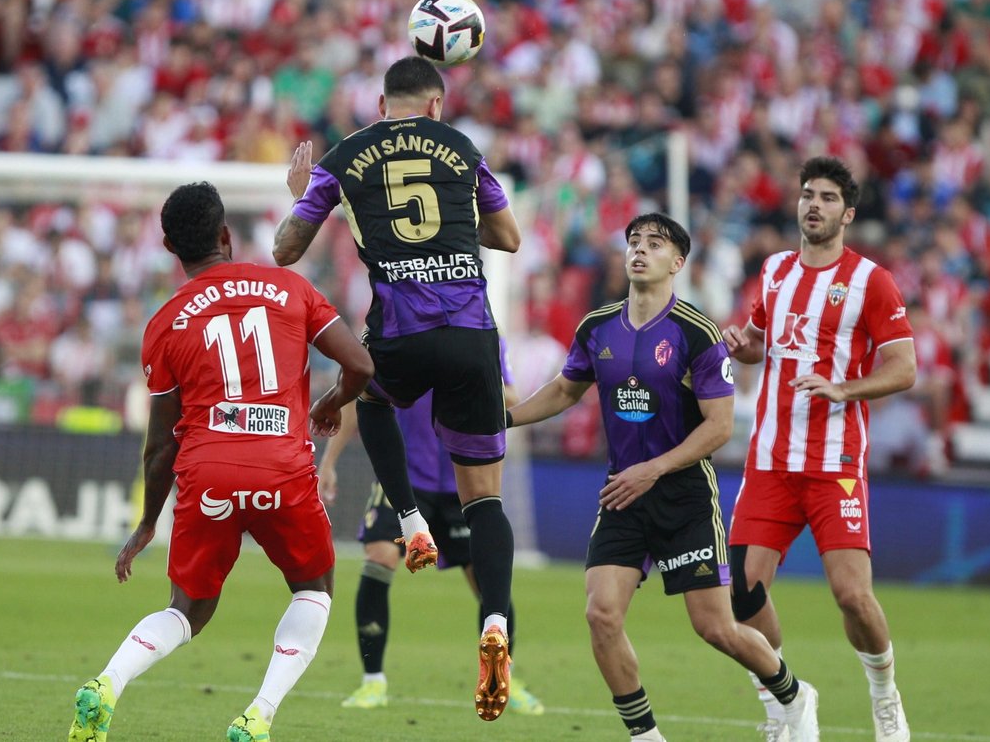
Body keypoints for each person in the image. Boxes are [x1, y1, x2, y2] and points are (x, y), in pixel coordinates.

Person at [69, 182, 376, 742]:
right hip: (283, 468)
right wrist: (331, 403)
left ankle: (109, 682)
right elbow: (361, 365)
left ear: (170, 246)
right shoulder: (291, 287)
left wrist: (146, 523)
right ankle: (259, 714)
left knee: (186, 610)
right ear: (226, 235)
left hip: (208, 471)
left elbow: (160, 446)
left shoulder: (165, 322)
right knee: (313, 589)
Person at [507, 213, 820, 742]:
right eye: (633, 241)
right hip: (623, 492)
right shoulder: (596, 327)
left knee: (715, 628)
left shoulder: (697, 333)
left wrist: (653, 469)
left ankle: (793, 694)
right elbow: (564, 389)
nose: (639, 249)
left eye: (654, 244)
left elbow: (720, 427)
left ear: (677, 263)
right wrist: (506, 419)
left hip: (683, 494)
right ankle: (645, 736)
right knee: (601, 615)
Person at [277, 55, 523, 721]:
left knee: (368, 395)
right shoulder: (462, 148)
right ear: (436, 104)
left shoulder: (345, 155)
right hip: (472, 334)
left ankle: (411, 522)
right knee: (486, 501)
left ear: (381, 104)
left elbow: (285, 252)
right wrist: (455, 224)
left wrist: (302, 195)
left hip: (401, 331)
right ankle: (495, 622)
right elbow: (509, 237)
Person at [721, 157, 918, 742]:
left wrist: (844, 388)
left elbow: (904, 367)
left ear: (848, 214)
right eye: (808, 194)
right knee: (742, 593)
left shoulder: (870, 281)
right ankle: (785, 703)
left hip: (835, 463)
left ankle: (885, 696)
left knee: (852, 596)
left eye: (829, 197)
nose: (814, 204)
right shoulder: (775, 270)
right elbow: (761, 343)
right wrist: (739, 345)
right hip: (770, 459)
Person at [316, 339, 543, 715]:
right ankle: (372, 680)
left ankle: (505, 674)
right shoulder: (399, 330)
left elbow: (511, 395)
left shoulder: (482, 334)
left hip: (463, 480)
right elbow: (362, 396)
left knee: (485, 578)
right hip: (405, 478)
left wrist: (458, 373)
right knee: (379, 556)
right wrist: (328, 462)